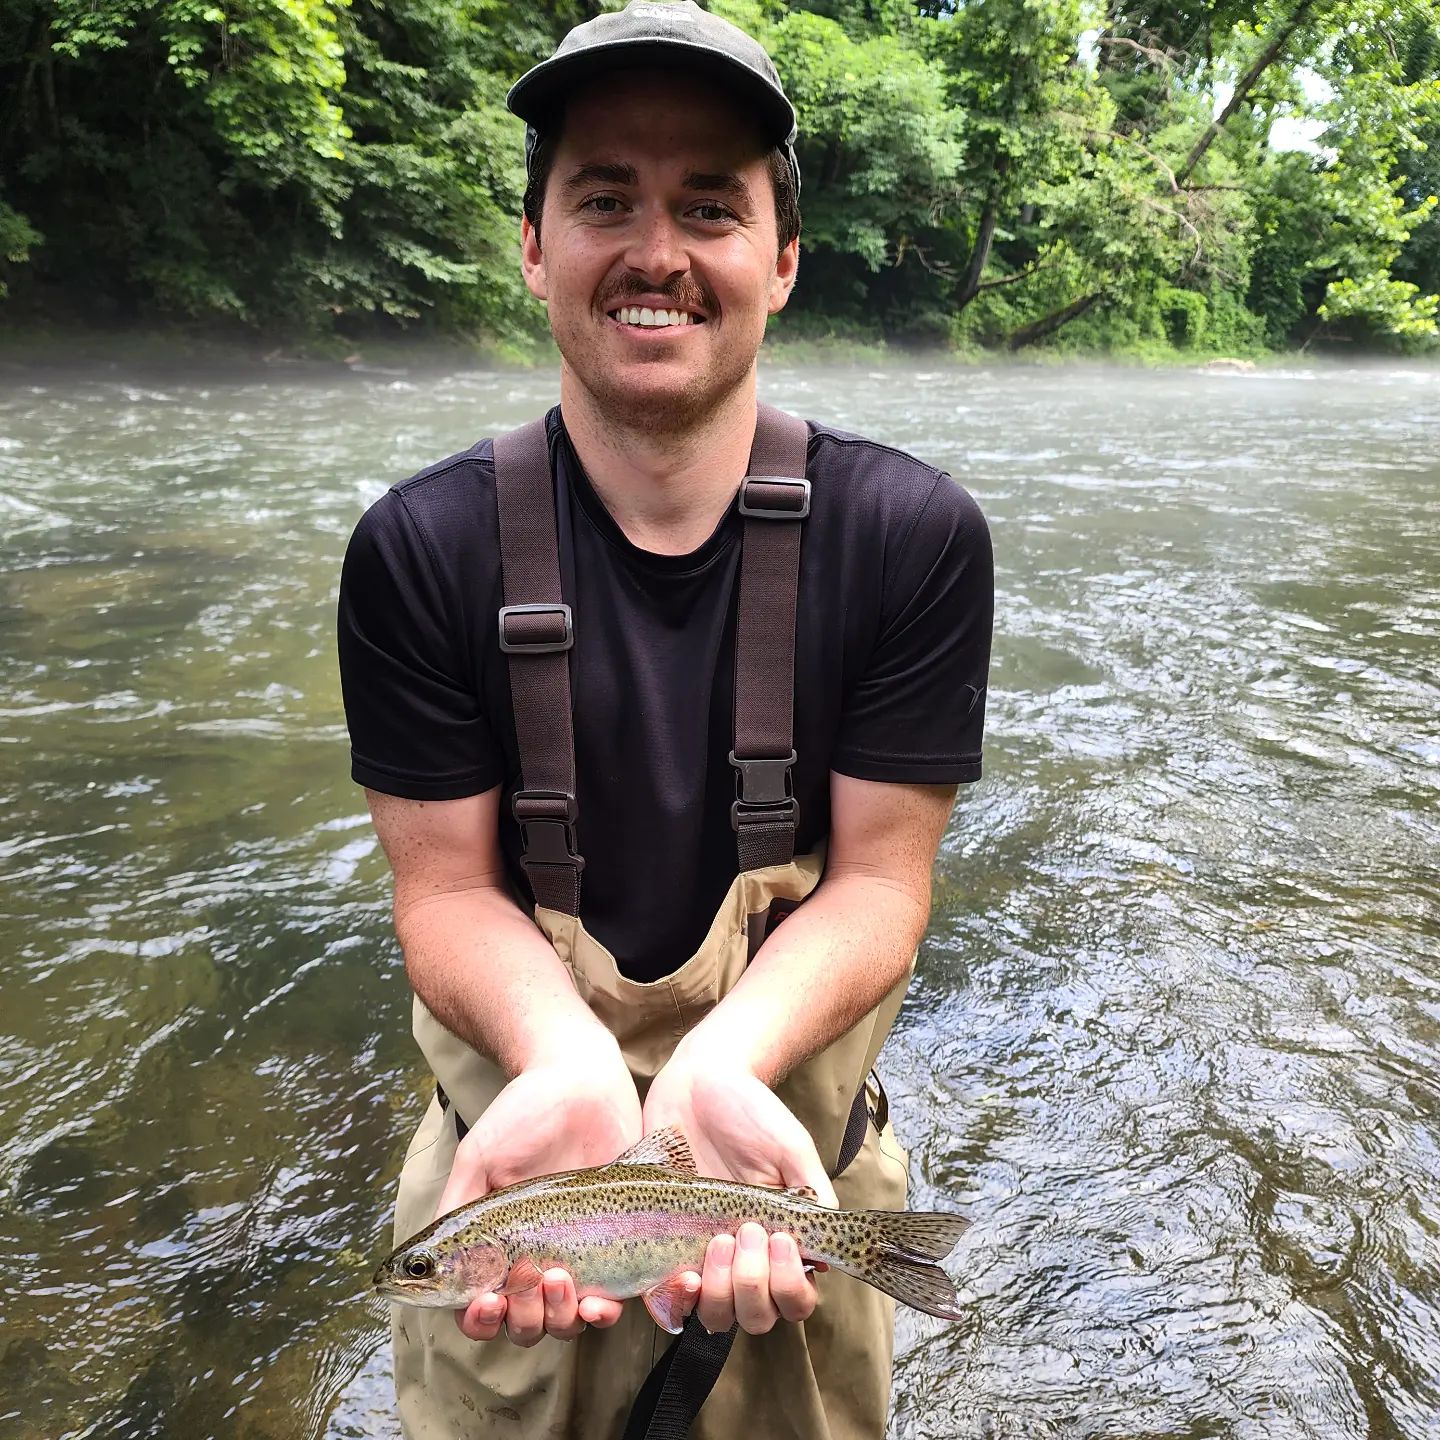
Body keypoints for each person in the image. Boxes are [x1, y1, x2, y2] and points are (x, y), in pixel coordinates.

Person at [336, 2, 993, 1435]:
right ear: (532, 247)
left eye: (709, 205)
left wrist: (718, 1067)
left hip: (782, 1189)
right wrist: (569, 1060)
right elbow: (441, 888)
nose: (656, 251)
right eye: (604, 199)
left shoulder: (913, 536)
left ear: (784, 259)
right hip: (512, 1179)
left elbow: (885, 880)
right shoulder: (417, 550)